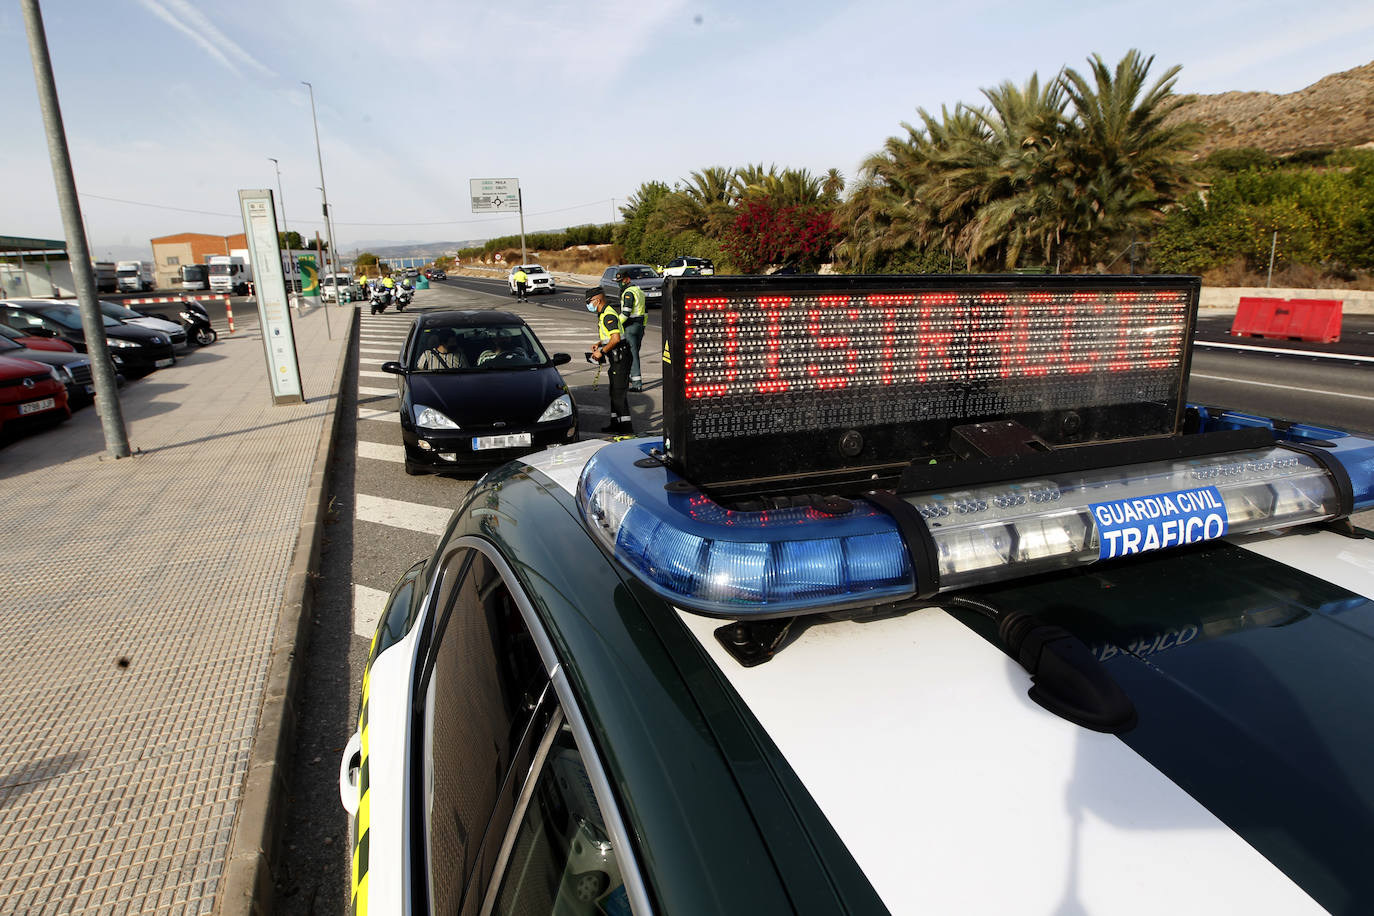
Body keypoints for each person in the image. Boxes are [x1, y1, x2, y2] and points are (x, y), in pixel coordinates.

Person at [586, 287, 632, 434]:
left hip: (620, 358)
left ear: (597, 300)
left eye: (589, 301)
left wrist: (601, 352)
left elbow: (616, 338)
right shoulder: (604, 313)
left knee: (618, 393)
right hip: (615, 357)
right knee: (613, 391)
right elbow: (610, 335)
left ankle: (626, 429)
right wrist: (599, 343)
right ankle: (615, 423)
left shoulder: (608, 314)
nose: (588, 304)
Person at [617, 270, 647, 391]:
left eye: (621, 281)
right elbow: (645, 312)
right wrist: (643, 327)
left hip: (630, 326)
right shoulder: (639, 291)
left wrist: (616, 325)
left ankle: (636, 384)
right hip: (639, 326)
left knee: (632, 355)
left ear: (627, 279)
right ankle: (630, 377)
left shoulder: (628, 293)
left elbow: (626, 313)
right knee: (632, 353)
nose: (620, 284)